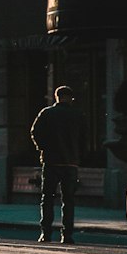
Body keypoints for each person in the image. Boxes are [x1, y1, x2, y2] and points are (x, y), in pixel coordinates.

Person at [30, 85, 85, 244]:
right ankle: (67, 235)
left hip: (51, 161)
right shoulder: (78, 115)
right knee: (68, 200)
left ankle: (45, 233)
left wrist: (43, 148)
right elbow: (84, 138)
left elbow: (35, 132)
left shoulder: (47, 113)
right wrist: (78, 155)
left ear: (56, 97)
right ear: (70, 98)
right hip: (71, 163)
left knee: (47, 198)